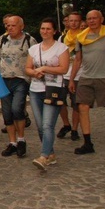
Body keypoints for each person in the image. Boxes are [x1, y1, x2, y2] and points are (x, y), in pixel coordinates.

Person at [68, 10, 105, 154]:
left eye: (95, 18)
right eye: (89, 19)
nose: (92, 21)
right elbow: (78, 60)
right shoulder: (81, 37)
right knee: (82, 107)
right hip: (86, 78)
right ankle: (88, 143)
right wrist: (71, 79)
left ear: (101, 19)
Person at [25, 18, 70, 170]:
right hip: (36, 89)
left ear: (54, 31)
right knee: (39, 125)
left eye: (48, 29)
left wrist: (44, 68)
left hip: (54, 89)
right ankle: (50, 154)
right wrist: (34, 73)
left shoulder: (61, 48)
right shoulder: (34, 49)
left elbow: (63, 68)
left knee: (47, 124)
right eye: (43, 28)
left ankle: (43, 156)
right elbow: (28, 68)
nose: (45, 31)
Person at [0, 15, 36, 157]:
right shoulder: (3, 39)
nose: (9, 28)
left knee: (17, 109)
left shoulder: (29, 40)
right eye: (8, 25)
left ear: (21, 26)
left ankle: (21, 139)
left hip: (21, 79)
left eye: (13, 25)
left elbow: (37, 59)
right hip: (4, 80)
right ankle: (12, 143)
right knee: (7, 113)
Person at [57, 12, 83, 141]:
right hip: (63, 74)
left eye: (75, 21)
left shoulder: (84, 37)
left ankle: (75, 129)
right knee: (60, 102)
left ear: (80, 22)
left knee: (76, 104)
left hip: (78, 75)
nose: (72, 23)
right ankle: (66, 124)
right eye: (70, 21)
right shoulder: (62, 38)